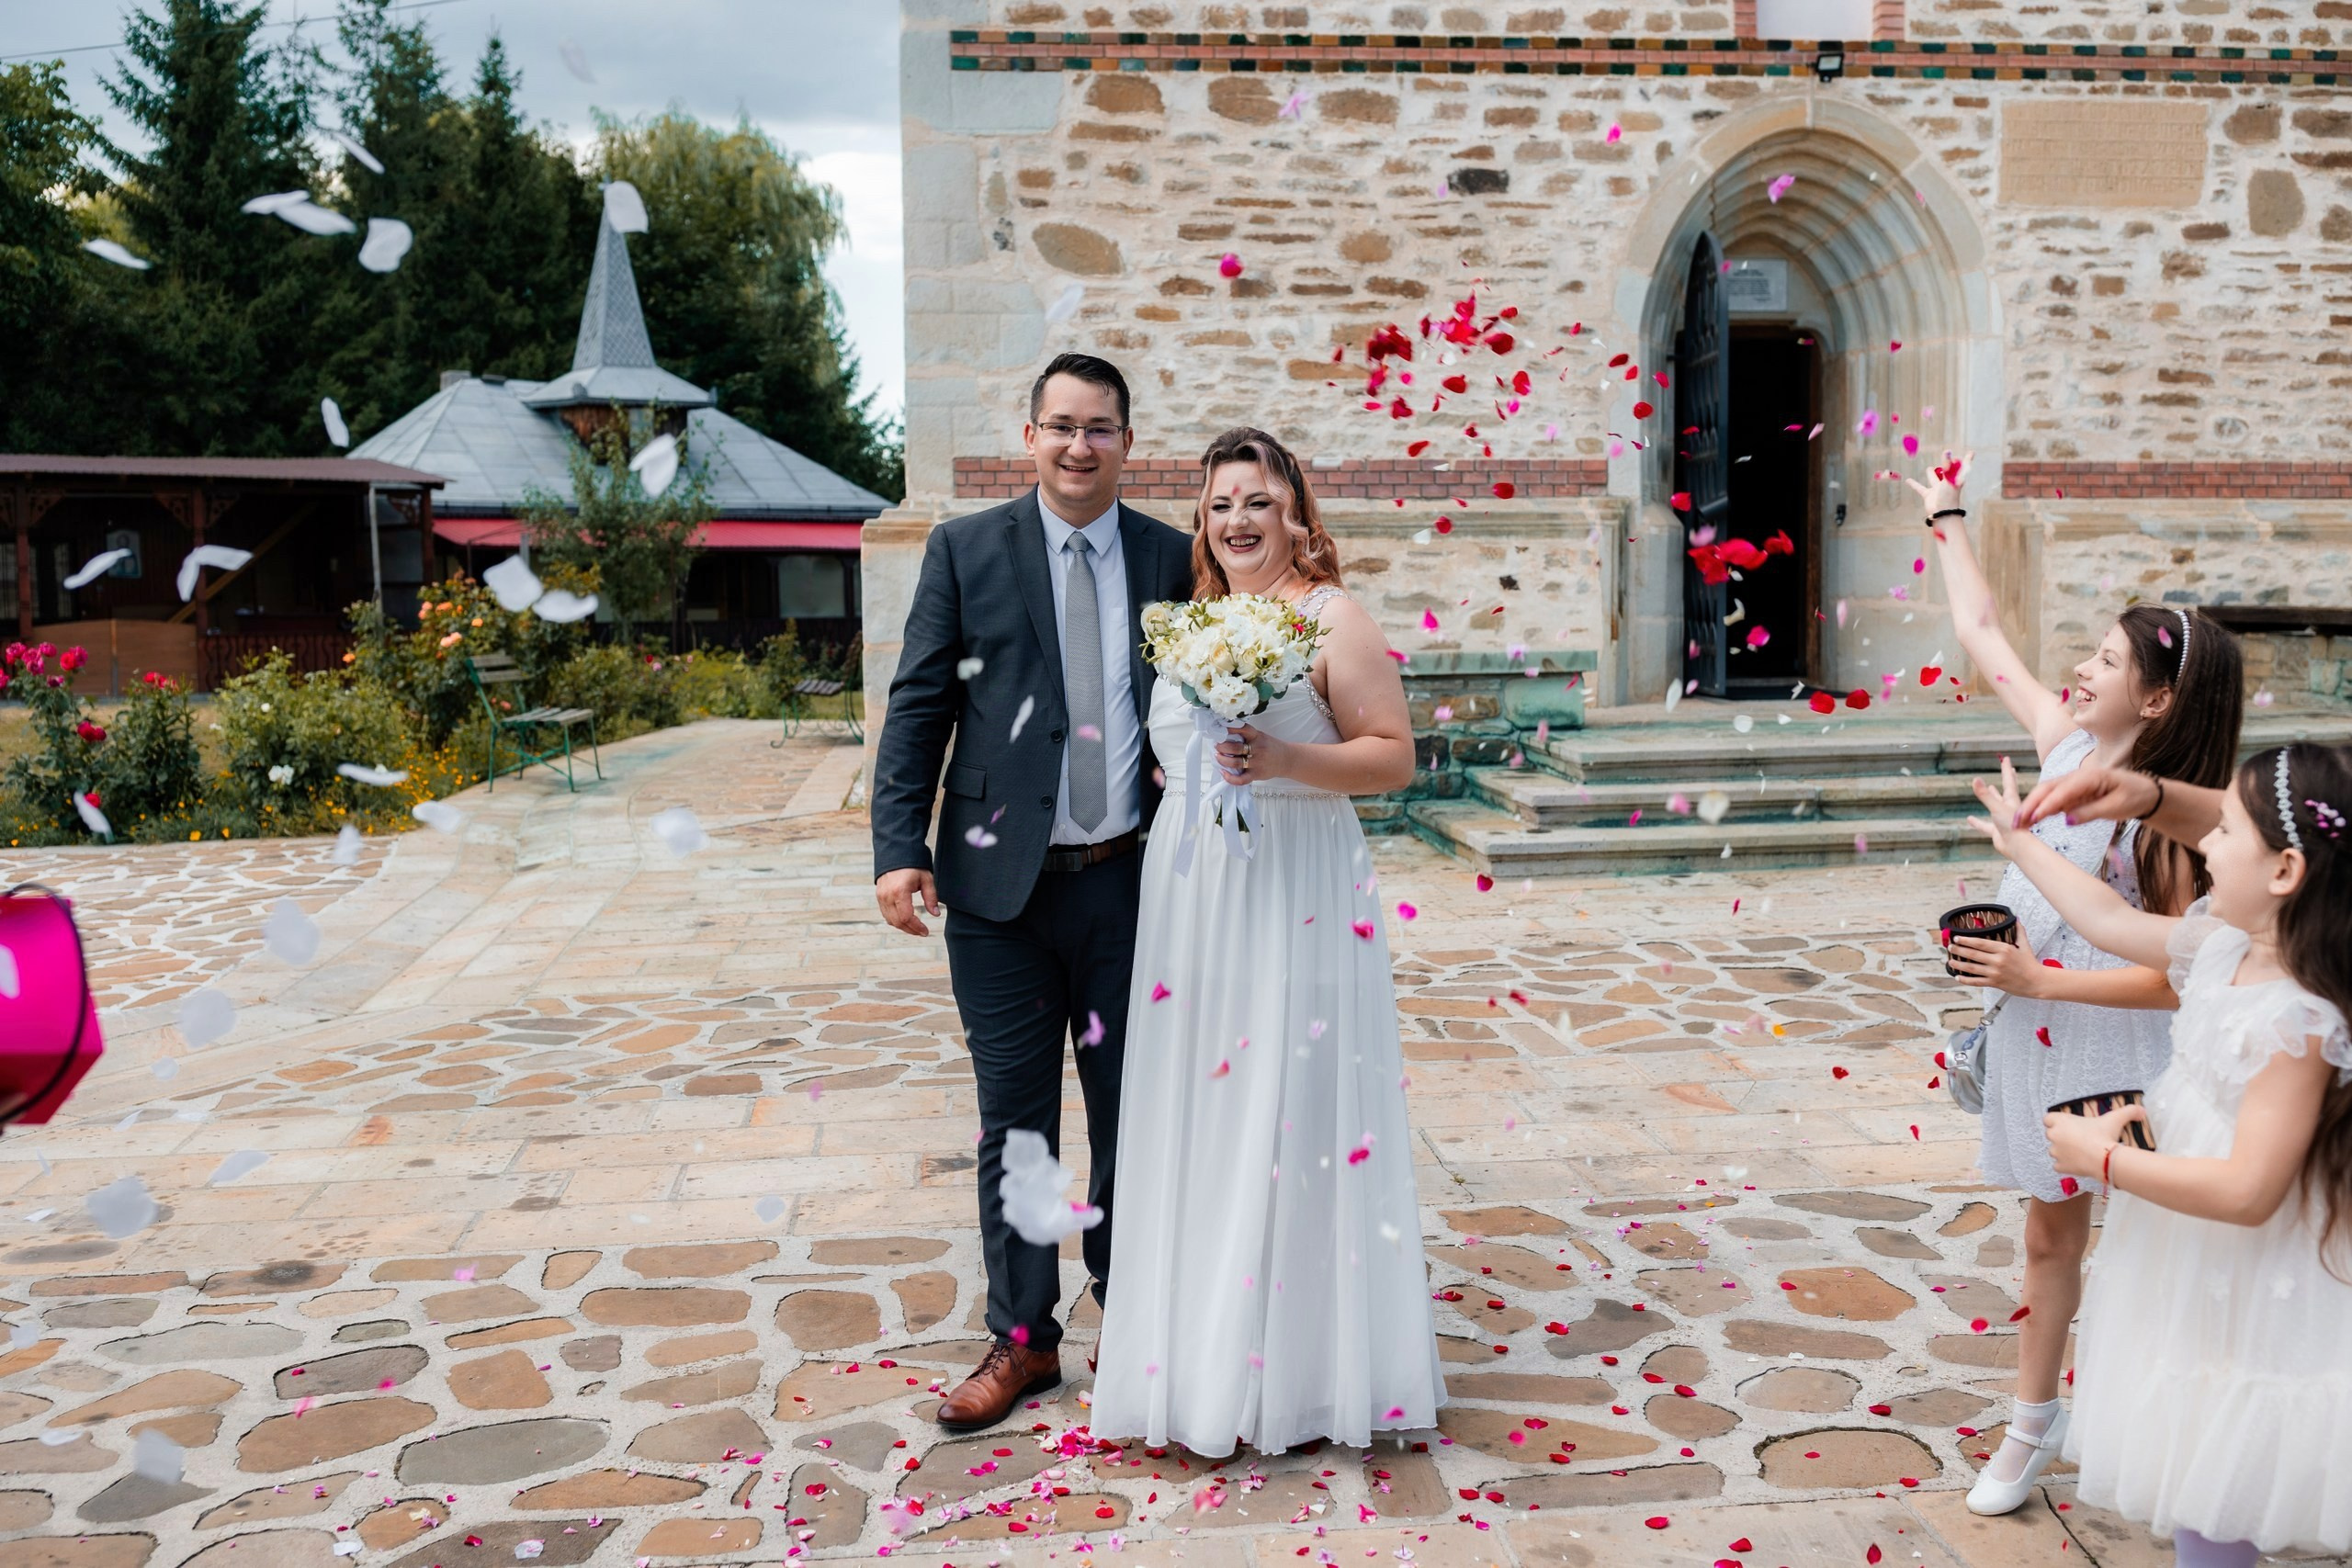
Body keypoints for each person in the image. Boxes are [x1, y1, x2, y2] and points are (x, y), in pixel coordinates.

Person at [1087, 428, 1445, 1455]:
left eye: (1258, 501)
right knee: (1201, 1111)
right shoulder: (1198, 622)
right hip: (1195, 892)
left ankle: (1299, 1372)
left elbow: (1392, 761)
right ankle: (1198, 1362)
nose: (1237, 520)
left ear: (1294, 515)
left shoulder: (1334, 616)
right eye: (1219, 505)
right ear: (1202, 522)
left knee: (1289, 1109)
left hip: (1297, 882)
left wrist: (1284, 755)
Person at [1905, 454, 2245, 1516]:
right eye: (2088, 654)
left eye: (2106, 661)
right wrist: (1946, 518)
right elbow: (1980, 634)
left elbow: (2183, 984)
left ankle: (2167, 1416)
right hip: (2036, 1039)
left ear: (2159, 695)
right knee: (2048, 1236)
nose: (2081, 671)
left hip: (2123, 1052)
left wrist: (2041, 979)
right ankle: (2029, 1422)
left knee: (2158, 1247)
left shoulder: (2174, 831)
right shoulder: (2060, 750)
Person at [870, 353, 1195, 1431]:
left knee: (1131, 1117)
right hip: (997, 900)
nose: (1077, 445)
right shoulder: (966, 550)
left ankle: (1134, 1310)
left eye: (1099, 428)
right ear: (1030, 435)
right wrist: (895, 845)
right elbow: (919, 703)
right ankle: (1023, 1343)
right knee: (1015, 1127)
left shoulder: (1171, 558)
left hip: (1129, 891)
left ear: (1127, 443)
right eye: (1060, 425)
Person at [1965, 745, 2352, 1567]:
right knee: (2204, 1452)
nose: (2204, 841)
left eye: (2228, 829)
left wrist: (2102, 1162)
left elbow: (2250, 1189)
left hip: (2256, 1272)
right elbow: (2108, 922)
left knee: (2231, 1448)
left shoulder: (2298, 1018)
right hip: (2195, 1257)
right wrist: (2021, 842)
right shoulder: (2225, 944)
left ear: (2285, 870)